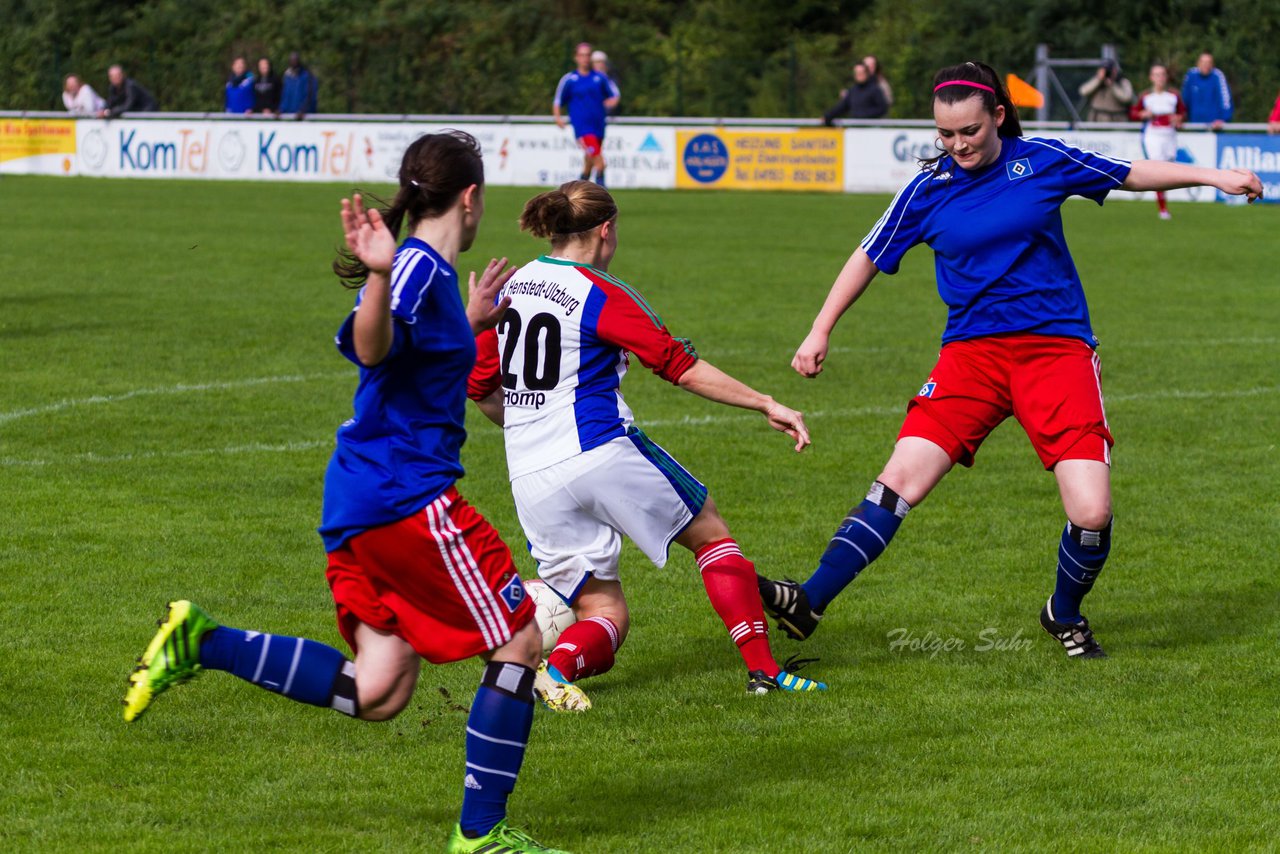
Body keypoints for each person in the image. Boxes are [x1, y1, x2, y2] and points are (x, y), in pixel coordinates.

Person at [122, 132, 568, 854]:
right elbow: (372, 347)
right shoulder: (416, 267)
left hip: (361, 497)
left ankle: (203, 641)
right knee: (518, 637)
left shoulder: (433, 279)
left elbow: (415, 359)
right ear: (472, 197)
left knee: (379, 690)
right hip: (406, 495)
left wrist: (470, 321)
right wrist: (377, 278)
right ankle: (481, 835)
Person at [758, 61, 1262, 660]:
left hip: (1057, 353)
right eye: (945, 134)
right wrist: (820, 329)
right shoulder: (927, 188)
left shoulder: (1042, 160)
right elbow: (868, 254)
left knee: (1092, 509)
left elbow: (1129, 172)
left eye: (969, 131)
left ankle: (1063, 612)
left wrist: (1215, 176)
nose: (957, 145)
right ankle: (810, 599)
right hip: (971, 357)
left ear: (998, 116)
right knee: (899, 480)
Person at [467, 180, 827, 708]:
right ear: (606, 230)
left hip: (530, 474)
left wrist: (532, 424)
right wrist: (765, 402)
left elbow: (480, 387)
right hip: (598, 447)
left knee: (605, 614)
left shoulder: (513, 287)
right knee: (709, 532)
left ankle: (557, 671)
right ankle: (765, 673)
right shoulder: (598, 289)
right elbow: (678, 366)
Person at [553, 42, 620, 186]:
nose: (585, 58)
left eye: (588, 55)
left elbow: (614, 94)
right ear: (576, 57)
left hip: (598, 126)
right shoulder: (570, 79)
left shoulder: (599, 78)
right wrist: (557, 117)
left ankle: (576, 195)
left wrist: (612, 101)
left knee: (588, 164)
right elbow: (558, 100)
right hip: (582, 128)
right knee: (600, 163)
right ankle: (602, 203)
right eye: (582, 55)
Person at [1130, 64, 1187, 219]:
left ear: (1166, 77)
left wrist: (1179, 119)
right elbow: (1134, 113)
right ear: (1151, 77)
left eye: (1162, 74)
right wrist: (1142, 114)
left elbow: (1183, 112)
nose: (1160, 78)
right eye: (1156, 75)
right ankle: (1163, 209)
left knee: (1169, 168)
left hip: (1170, 135)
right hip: (1153, 135)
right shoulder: (1146, 96)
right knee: (1158, 169)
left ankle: (1163, 204)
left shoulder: (1173, 95)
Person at [822, 61, 888, 125]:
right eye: (856, 73)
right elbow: (842, 107)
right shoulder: (853, 90)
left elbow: (882, 108)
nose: (858, 75)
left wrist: (864, 114)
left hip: (872, 128)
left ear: (866, 73)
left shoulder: (875, 89)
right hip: (855, 128)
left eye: (861, 73)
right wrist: (828, 115)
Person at [1181, 53, 1233, 128]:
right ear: (1198, 63)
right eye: (1203, 62)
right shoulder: (1191, 76)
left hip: (1215, 127)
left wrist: (1223, 119)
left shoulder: (1218, 76)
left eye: (1208, 62)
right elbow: (1184, 100)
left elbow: (1226, 100)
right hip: (1194, 126)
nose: (1206, 65)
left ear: (1212, 65)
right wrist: (1181, 117)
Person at [279, 51, 319, 118]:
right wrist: (281, 109)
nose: (293, 62)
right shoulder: (287, 77)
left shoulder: (307, 76)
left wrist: (303, 110)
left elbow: (311, 97)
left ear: (299, 60)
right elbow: (285, 97)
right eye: (291, 60)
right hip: (290, 116)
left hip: (304, 116)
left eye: (295, 59)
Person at [591, 49, 620, 116]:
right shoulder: (586, 79)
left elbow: (614, 99)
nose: (598, 65)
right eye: (595, 62)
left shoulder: (611, 79)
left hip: (607, 117)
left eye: (599, 62)